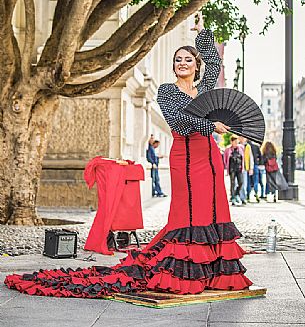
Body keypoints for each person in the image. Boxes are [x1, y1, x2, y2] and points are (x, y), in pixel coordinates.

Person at [4, 22, 252, 297]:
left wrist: (203, 33)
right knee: (189, 213)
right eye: (177, 59)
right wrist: (210, 126)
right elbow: (179, 123)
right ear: (173, 66)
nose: (182, 63)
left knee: (214, 212)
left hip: (211, 160)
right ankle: (185, 273)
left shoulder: (205, 89)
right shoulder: (168, 92)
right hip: (185, 158)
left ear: (196, 64)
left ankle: (213, 274)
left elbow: (215, 64)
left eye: (188, 59)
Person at [223, 136, 244, 206]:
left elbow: (242, 157)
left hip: (239, 168)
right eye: (234, 141)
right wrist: (226, 168)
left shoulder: (240, 148)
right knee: (232, 183)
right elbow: (225, 159)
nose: (236, 143)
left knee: (241, 182)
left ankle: (236, 193)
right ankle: (233, 197)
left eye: (236, 141)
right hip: (232, 169)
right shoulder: (228, 149)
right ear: (231, 142)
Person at [238, 137, 254, 205]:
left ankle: (243, 198)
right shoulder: (237, 145)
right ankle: (240, 197)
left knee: (244, 184)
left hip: (245, 168)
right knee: (238, 184)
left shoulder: (247, 146)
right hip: (238, 168)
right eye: (240, 137)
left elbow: (250, 157)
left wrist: (251, 168)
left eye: (243, 137)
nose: (242, 139)